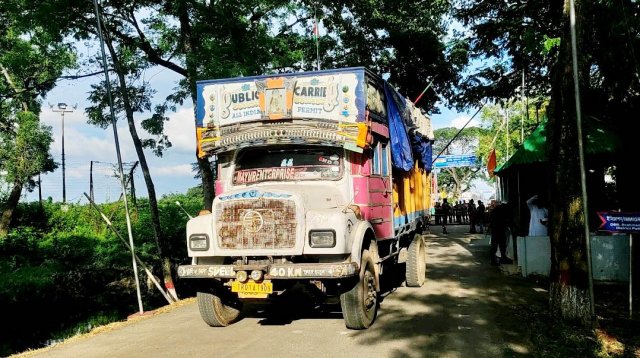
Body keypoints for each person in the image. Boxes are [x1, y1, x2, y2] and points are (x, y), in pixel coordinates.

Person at [489, 201, 513, 265]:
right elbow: (506, 221)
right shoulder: (503, 211)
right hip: (500, 230)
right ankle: (502, 258)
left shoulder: (494, 211)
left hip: (495, 230)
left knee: (495, 246)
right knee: (502, 245)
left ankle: (493, 260)